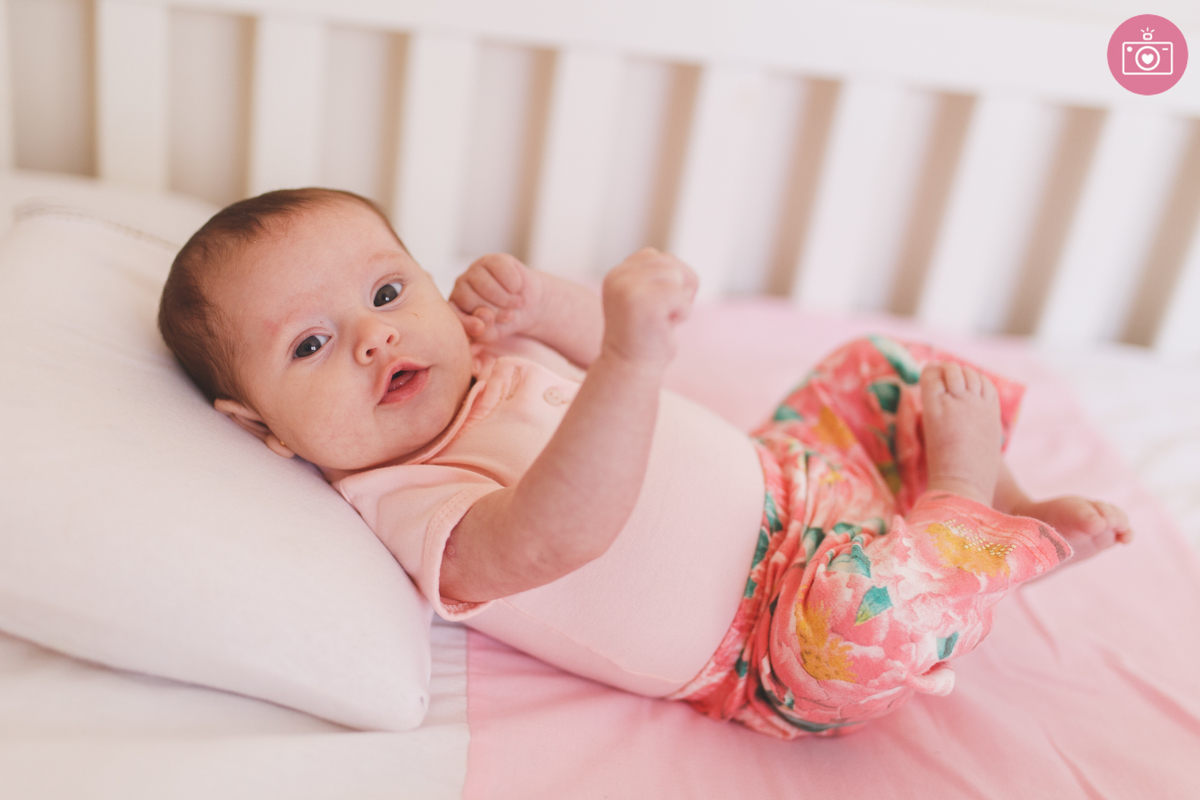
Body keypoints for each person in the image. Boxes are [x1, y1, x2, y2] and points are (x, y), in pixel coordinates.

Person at [158, 188, 1132, 739]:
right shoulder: (406, 498)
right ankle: (960, 506)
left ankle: (1016, 515)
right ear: (261, 428)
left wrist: (544, 305)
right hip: (776, 636)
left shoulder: (478, 355)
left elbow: (598, 334)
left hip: (790, 471)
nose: (374, 337)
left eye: (385, 290)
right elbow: (557, 531)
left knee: (874, 370)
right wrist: (629, 357)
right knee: (867, 614)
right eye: (311, 346)